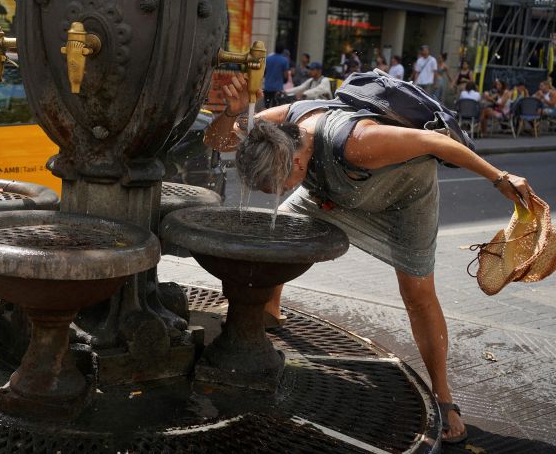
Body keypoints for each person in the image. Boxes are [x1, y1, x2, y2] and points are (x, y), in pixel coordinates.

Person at [205, 72, 537, 445]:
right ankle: (269, 311)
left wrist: (499, 177)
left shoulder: (360, 142)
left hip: (403, 196)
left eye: (279, 184)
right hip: (335, 189)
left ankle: (444, 396)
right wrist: (230, 115)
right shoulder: (275, 129)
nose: (278, 191)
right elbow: (216, 141)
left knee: (417, 294)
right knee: (278, 232)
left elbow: (437, 143)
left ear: (297, 163)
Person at [262, 44, 291, 110]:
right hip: (278, 88)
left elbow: (264, 71)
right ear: (282, 51)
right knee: (275, 107)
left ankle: (264, 118)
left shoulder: (268, 58)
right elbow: (286, 74)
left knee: (266, 105)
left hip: (267, 87)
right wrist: (285, 80)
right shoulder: (284, 60)